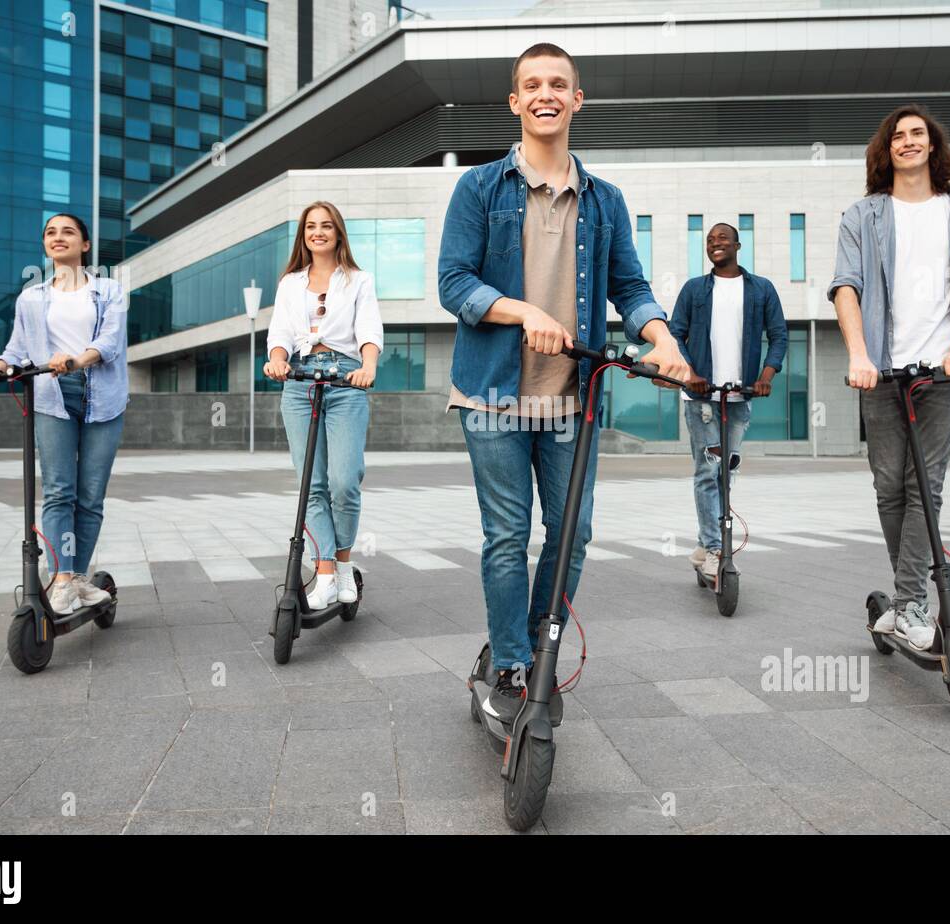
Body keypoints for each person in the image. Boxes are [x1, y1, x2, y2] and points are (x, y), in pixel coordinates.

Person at [438, 42, 692, 723]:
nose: (545, 93)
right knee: (506, 534)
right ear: (515, 102)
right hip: (491, 392)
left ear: (577, 100)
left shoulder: (604, 201)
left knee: (573, 531)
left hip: (568, 400)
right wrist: (526, 312)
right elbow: (454, 282)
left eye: (558, 84)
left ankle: (522, 643)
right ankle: (515, 667)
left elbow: (630, 287)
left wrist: (664, 339)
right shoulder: (479, 188)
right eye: (532, 85)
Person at [829, 103, 950, 650]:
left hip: (941, 375)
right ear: (887, 150)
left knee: (925, 487)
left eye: (917, 134)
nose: (907, 142)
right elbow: (846, 287)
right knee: (888, 487)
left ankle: (909, 605)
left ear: (933, 146)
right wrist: (859, 354)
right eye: (897, 136)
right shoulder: (863, 215)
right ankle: (907, 602)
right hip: (880, 370)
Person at [0, 214, 128, 615]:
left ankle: (79, 576)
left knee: (90, 497)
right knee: (59, 491)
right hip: (51, 395)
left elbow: (109, 341)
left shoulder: (109, 290)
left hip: (100, 395)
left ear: (85, 245)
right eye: (51, 232)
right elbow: (17, 349)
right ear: (45, 245)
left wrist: (75, 360)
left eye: (68, 231)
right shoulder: (31, 297)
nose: (58, 237)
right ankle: (64, 579)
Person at [264, 201, 383, 608]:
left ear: (338, 233)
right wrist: (277, 358)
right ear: (304, 235)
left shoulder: (358, 280)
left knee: (343, 483)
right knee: (311, 485)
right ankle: (326, 572)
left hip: (346, 379)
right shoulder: (289, 284)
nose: (318, 232)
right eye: (311, 226)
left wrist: (368, 365)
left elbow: (368, 328)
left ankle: (345, 563)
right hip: (299, 382)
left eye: (326, 226)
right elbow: (279, 331)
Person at [669, 222, 787, 582]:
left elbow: (779, 335)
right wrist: (690, 372)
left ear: (738, 245)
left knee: (726, 472)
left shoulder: (762, 289)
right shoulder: (694, 290)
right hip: (702, 398)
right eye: (709, 240)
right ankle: (715, 548)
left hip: (739, 397)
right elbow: (676, 334)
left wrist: (765, 378)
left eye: (722, 238)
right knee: (708, 470)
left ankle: (707, 545)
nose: (715, 243)